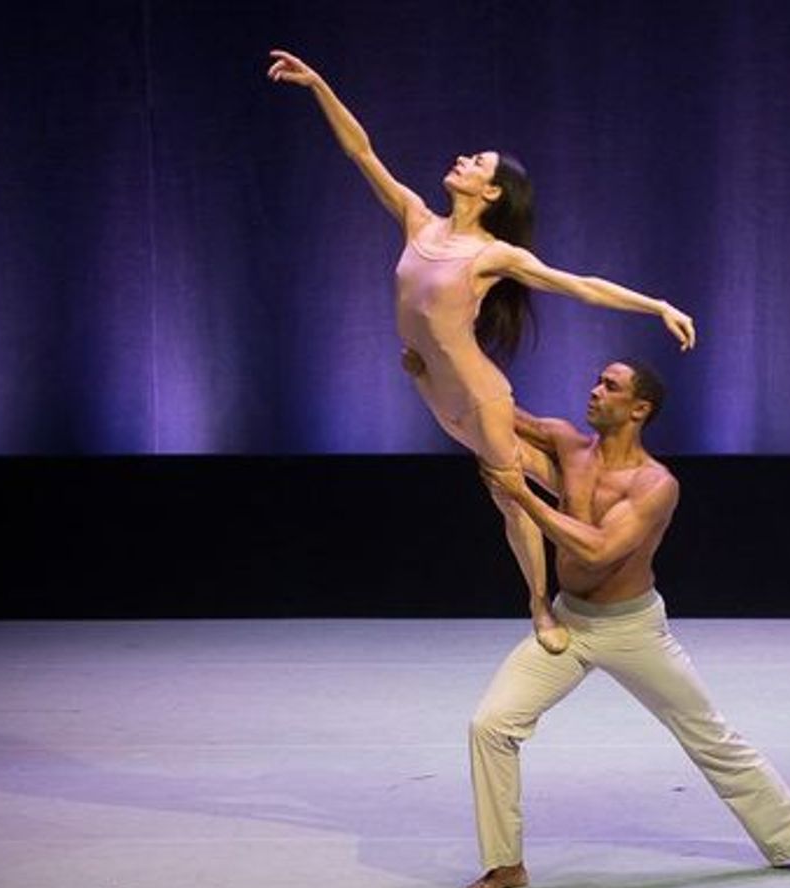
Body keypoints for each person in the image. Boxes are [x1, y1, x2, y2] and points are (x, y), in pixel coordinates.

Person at [267, 49, 696, 655]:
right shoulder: (418, 219)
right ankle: (598, 500)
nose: (462, 160)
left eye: (476, 162)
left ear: (491, 191)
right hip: (432, 392)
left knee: (507, 492)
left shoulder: (495, 255)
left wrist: (657, 305)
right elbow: (361, 152)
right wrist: (318, 85)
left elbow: (580, 285)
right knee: (531, 474)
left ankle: (540, 606)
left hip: (478, 392)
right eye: (468, 156)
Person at [466, 360, 790, 888]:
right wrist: (433, 368)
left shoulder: (655, 484)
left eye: (611, 386)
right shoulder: (565, 443)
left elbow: (598, 550)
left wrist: (523, 496)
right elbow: (486, 413)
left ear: (639, 408)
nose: (595, 390)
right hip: (569, 622)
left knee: (710, 736)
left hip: (633, 630)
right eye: (597, 380)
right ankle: (505, 864)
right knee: (490, 724)